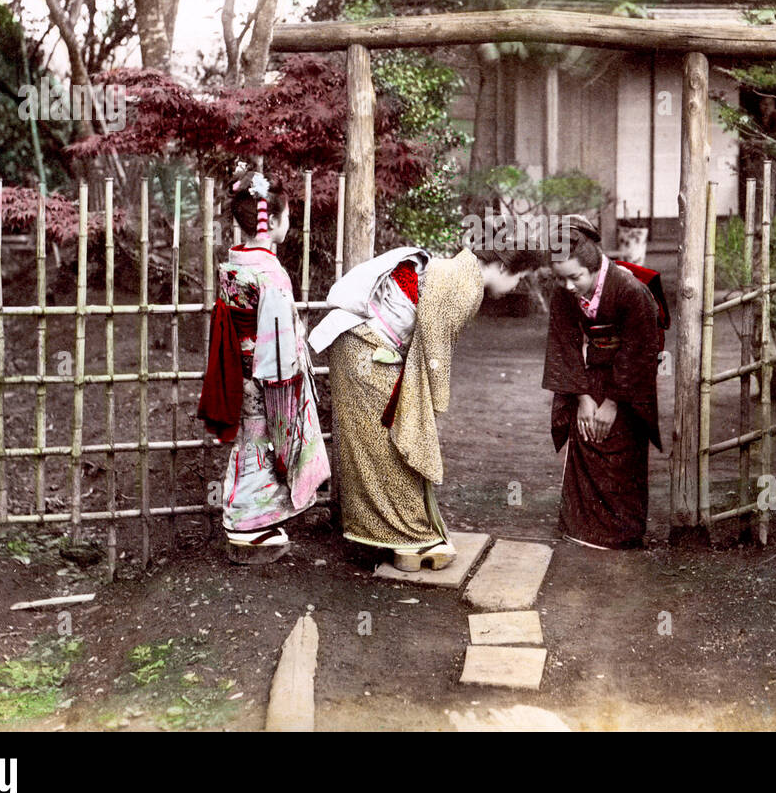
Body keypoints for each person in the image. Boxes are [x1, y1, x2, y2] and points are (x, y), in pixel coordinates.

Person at [310, 244, 541, 571]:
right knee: (386, 445)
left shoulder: (463, 274)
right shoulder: (464, 286)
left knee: (386, 442)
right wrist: (432, 399)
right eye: (520, 277)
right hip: (364, 343)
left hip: (367, 342)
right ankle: (407, 539)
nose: (517, 287)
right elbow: (434, 351)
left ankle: (402, 536)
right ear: (504, 267)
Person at [197, 168, 330, 563]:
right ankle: (244, 523)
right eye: (287, 216)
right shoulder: (271, 273)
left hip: (240, 368)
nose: (288, 223)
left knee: (250, 442)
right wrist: (287, 380)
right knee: (263, 442)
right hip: (265, 372)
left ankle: (245, 517)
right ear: (270, 221)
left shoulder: (235, 262)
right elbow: (278, 338)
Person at [542, 217, 665, 550]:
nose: (568, 286)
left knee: (620, 446)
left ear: (594, 266)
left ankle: (620, 532)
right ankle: (582, 527)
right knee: (584, 432)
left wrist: (613, 403)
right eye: (561, 278)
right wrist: (581, 396)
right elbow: (563, 343)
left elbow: (640, 349)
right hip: (592, 375)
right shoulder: (564, 293)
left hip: (627, 384)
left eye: (575, 277)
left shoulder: (630, 290)